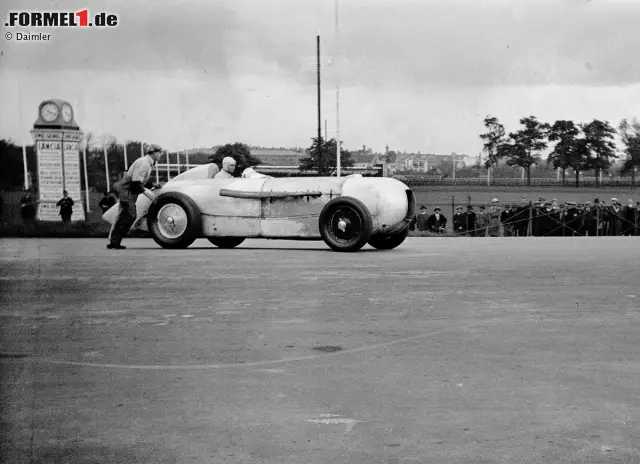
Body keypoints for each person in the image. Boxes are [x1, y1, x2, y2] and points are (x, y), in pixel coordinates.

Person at [107, 144, 164, 249]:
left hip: (129, 191)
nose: (161, 154)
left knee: (123, 216)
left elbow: (140, 181)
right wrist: (150, 196)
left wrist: (152, 185)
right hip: (127, 192)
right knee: (129, 216)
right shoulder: (144, 163)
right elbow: (136, 184)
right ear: (154, 152)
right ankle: (115, 241)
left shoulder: (148, 163)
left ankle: (114, 241)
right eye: (160, 152)